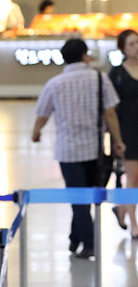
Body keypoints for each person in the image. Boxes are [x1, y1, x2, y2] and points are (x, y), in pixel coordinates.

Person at [31, 38, 125, 258]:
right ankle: (78, 239)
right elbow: (110, 113)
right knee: (86, 197)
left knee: (78, 197)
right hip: (95, 150)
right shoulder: (100, 79)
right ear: (85, 56)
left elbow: (42, 114)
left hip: (68, 151)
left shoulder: (55, 83)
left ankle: (86, 242)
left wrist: (35, 133)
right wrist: (118, 140)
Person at [109, 30, 138, 238]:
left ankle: (122, 209)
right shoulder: (117, 73)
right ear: (123, 48)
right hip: (128, 129)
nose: (136, 47)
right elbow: (110, 107)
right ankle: (133, 224)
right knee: (132, 178)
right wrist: (115, 137)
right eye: (131, 44)